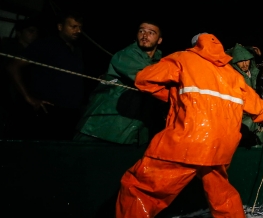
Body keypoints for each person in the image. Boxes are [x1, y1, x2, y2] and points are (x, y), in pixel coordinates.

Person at [111, 33, 263, 218]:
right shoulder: (233, 74)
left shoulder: (182, 59)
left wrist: (174, 93)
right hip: (220, 146)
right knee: (220, 191)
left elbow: (144, 80)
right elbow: (260, 109)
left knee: (138, 189)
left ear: (196, 46)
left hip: (187, 141)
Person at [74, 22, 163, 144]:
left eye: (151, 32)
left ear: (159, 40)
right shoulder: (126, 55)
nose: (145, 35)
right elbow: (149, 78)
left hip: (129, 132)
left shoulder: (160, 62)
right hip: (101, 127)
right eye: (141, 31)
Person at [6, 12, 84, 140]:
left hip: (70, 113)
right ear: (60, 27)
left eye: (80, 27)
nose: (78, 30)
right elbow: (12, 67)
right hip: (49, 111)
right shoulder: (46, 45)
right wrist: (29, 98)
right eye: (73, 27)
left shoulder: (77, 50)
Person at [0, 19, 40, 137]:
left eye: (36, 32)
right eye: (31, 31)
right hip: (6, 99)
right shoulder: (8, 48)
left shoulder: (34, 53)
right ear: (19, 33)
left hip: (20, 103)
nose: (34, 35)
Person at [227, 43, 263, 147]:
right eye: (240, 61)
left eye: (246, 60)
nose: (244, 64)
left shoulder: (257, 72)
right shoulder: (233, 76)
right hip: (242, 118)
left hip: (258, 115)